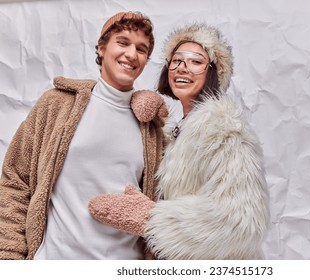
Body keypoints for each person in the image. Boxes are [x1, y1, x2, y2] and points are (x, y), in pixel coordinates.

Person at [88, 23, 270, 259]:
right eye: (177, 61)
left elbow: (243, 221)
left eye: (196, 62)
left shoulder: (224, 129)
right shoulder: (178, 130)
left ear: (212, 72)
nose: (183, 69)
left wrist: (150, 218)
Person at [0, 11, 168, 260]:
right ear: (101, 48)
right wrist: (10, 259)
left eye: (141, 49)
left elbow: (164, 206)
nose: (131, 54)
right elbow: (15, 180)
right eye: (122, 42)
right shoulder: (57, 105)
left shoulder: (152, 130)